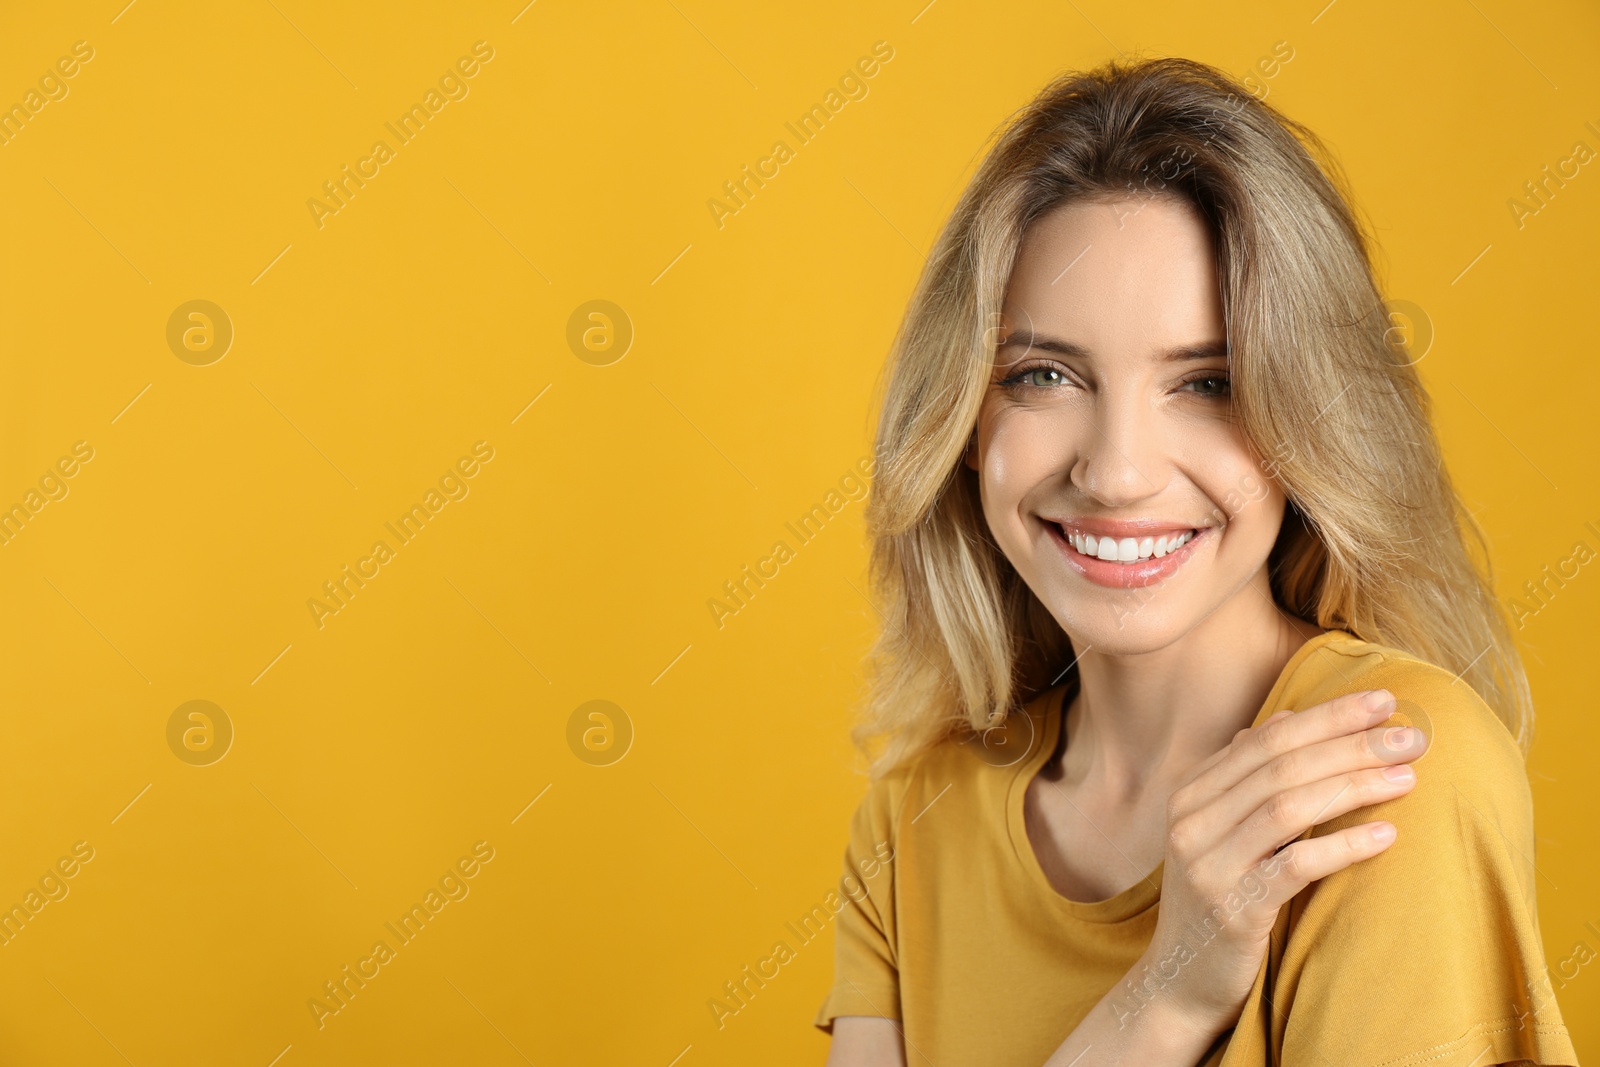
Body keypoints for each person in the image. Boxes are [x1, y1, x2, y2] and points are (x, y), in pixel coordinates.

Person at [814, 56, 1579, 1066]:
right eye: (1043, 374)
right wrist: (1161, 1002)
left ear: (1309, 415)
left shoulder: (1385, 777)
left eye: (1208, 381)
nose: (1117, 471)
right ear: (961, 414)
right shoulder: (913, 817)